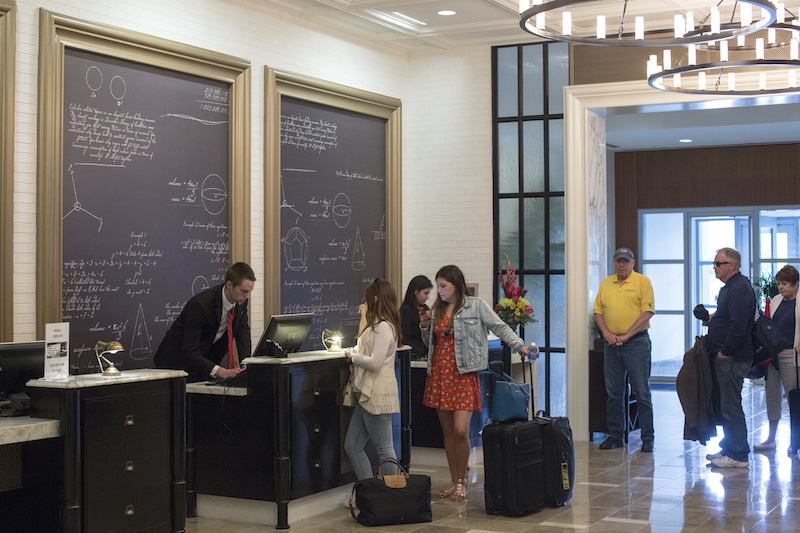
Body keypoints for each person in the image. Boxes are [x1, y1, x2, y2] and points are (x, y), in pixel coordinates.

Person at [420, 265, 537, 502]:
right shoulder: (437, 309)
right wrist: (424, 326)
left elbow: (500, 327)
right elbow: (430, 342)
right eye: (438, 286)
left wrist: (520, 346)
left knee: (462, 430)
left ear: (457, 284)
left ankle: (462, 481)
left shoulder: (476, 306)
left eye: (444, 286)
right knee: (448, 431)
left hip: (463, 374)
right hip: (440, 375)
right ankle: (454, 482)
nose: (439, 291)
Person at [593, 247, 655, 452]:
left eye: (626, 261)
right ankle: (616, 436)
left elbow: (647, 312)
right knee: (614, 393)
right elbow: (598, 312)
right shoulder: (606, 283)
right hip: (611, 346)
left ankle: (647, 439)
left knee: (641, 392)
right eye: (619, 261)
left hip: (636, 343)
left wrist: (627, 335)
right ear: (614, 262)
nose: (622, 265)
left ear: (632, 263)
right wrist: (606, 334)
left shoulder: (642, 282)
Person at [153, 262, 255, 382]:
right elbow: (190, 350)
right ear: (229, 285)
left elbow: (243, 336)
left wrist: (247, 368)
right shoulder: (201, 305)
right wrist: (221, 371)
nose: (247, 296)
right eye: (244, 291)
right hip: (175, 363)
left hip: (204, 362)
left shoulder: (240, 302)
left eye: (249, 292)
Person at [343, 279, 401, 487]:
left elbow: (375, 362)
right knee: (352, 445)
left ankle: (389, 495)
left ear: (374, 299)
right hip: (368, 393)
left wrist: (353, 356)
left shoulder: (383, 326)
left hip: (375, 393)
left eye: (367, 299)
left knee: (385, 449)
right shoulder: (380, 324)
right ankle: (370, 492)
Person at [704, 247, 756, 468]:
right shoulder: (730, 288)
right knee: (725, 404)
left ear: (732, 265)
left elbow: (738, 326)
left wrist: (725, 352)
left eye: (718, 264)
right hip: (727, 356)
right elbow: (728, 317)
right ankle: (728, 448)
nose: (714, 268)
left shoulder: (740, 288)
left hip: (733, 357)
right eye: (714, 264)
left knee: (731, 406)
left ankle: (739, 455)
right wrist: (712, 319)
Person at [755, 265, 800, 455]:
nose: (781, 287)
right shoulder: (775, 300)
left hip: (792, 354)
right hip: (773, 355)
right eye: (779, 283)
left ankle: (794, 440)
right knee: (772, 396)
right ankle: (771, 438)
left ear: (796, 284)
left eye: (785, 283)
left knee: (793, 398)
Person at [400, 275, 433, 359]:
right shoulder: (405, 310)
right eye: (425, 293)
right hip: (414, 357)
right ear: (416, 291)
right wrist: (426, 349)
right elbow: (406, 339)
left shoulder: (425, 308)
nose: (428, 297)